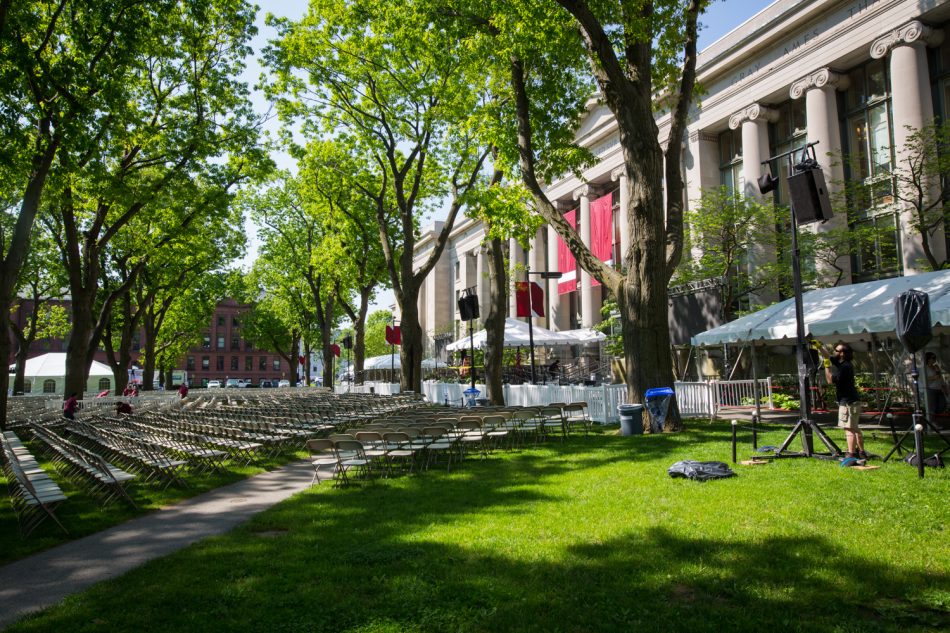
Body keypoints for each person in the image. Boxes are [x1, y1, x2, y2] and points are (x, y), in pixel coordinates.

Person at [820, 343, 866, 459]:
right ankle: (861, 452)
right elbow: (827, 356)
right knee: (855, 428)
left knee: (849, 429)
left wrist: (827, 367)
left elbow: (830, 380)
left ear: (842, 354)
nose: (834, 352)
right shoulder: (845, 364)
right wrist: (819, 347)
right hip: (853, 400)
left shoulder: (844, 368)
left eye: (836, 350)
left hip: (847, 403)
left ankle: (851, 454)